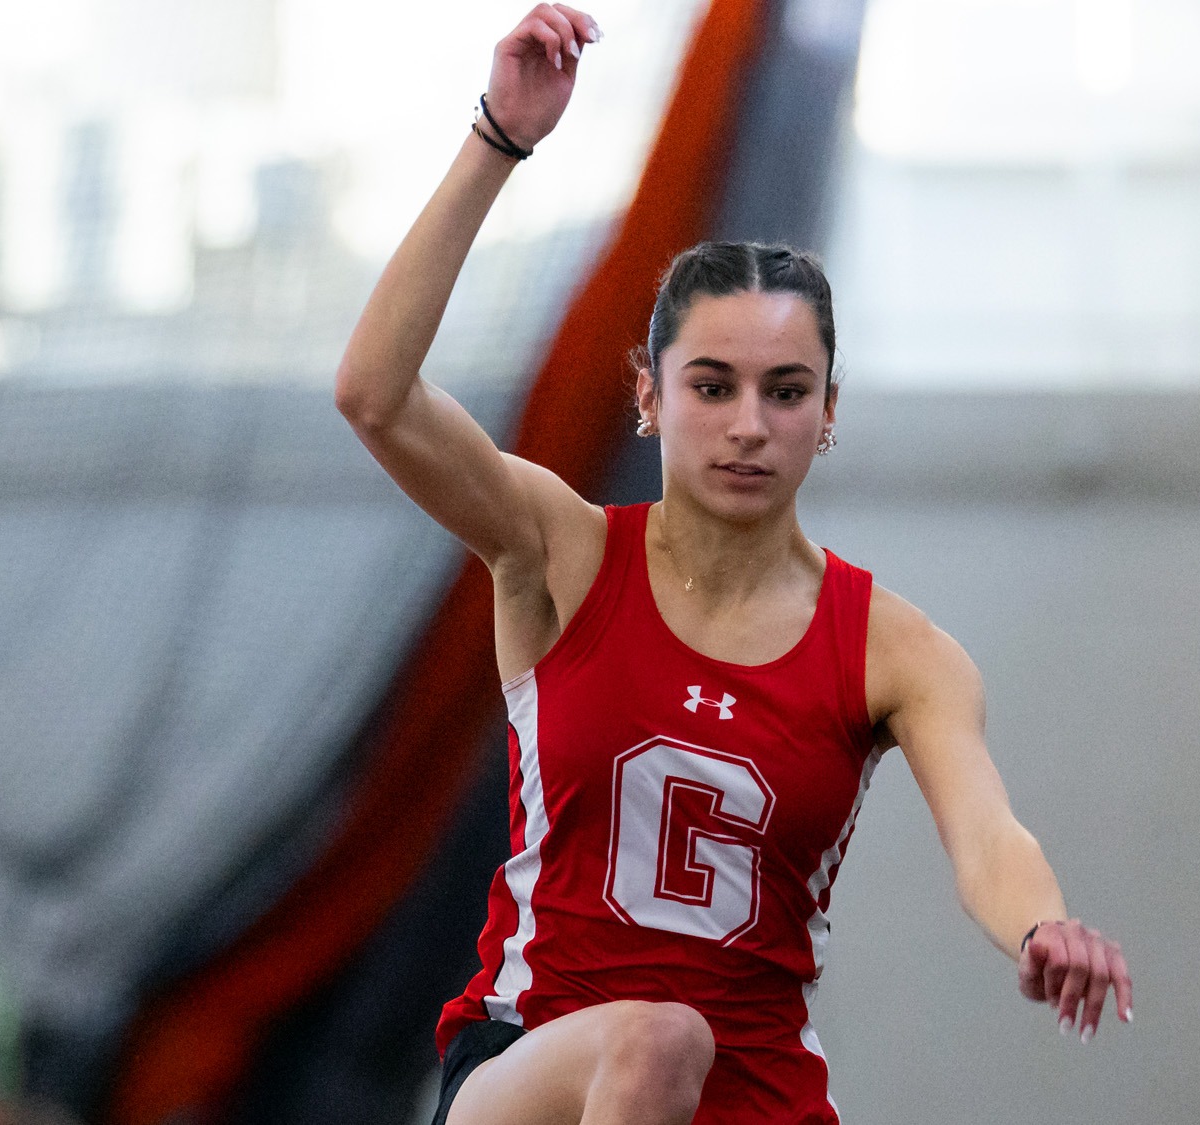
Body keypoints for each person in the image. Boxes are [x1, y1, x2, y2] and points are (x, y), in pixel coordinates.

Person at [334, 6, 1135, 1122]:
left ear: (828, 414)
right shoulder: (558, 550)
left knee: (683, 1053)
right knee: (658, 1041)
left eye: (784, 391)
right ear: (649, 399)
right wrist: (497, 139)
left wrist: (1042, 925)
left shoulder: (896, 651)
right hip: (533, 1066)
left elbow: (988, 835)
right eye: (711, 386)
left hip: (753, 1095)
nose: (748, 424)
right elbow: (374, 395)